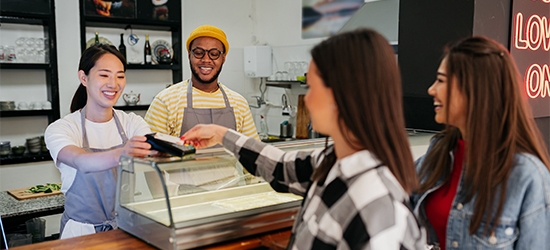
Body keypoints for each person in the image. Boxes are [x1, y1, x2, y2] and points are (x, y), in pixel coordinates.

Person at [181, 28, 426, 249]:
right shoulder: (331, 163)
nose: (306, 100)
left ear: (340, 96)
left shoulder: (379, 212)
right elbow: (279, 166)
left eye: (311, 87)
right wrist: (220, 134)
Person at [412, 36, 550, 249]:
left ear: (473, 90)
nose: (431, 90)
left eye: (441, 80)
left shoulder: (527, 176)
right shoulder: (436, 155)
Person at [45, 44, 154, 239]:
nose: (114, 83)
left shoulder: (132, 123)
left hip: (126, 229)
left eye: (120, 76)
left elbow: (155, 150)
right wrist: (123, 153)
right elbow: (81, 161)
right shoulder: (62, 128)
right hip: (80, 234)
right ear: (83, 78)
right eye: (104, 75)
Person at [144, 24, 259, 140]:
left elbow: (252, 152)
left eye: (214, 54)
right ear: (189, 55)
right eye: (199, 53)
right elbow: (149, 153)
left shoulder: (239, 104)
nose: (206, 60)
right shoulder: (166, 101)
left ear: (223, 59)